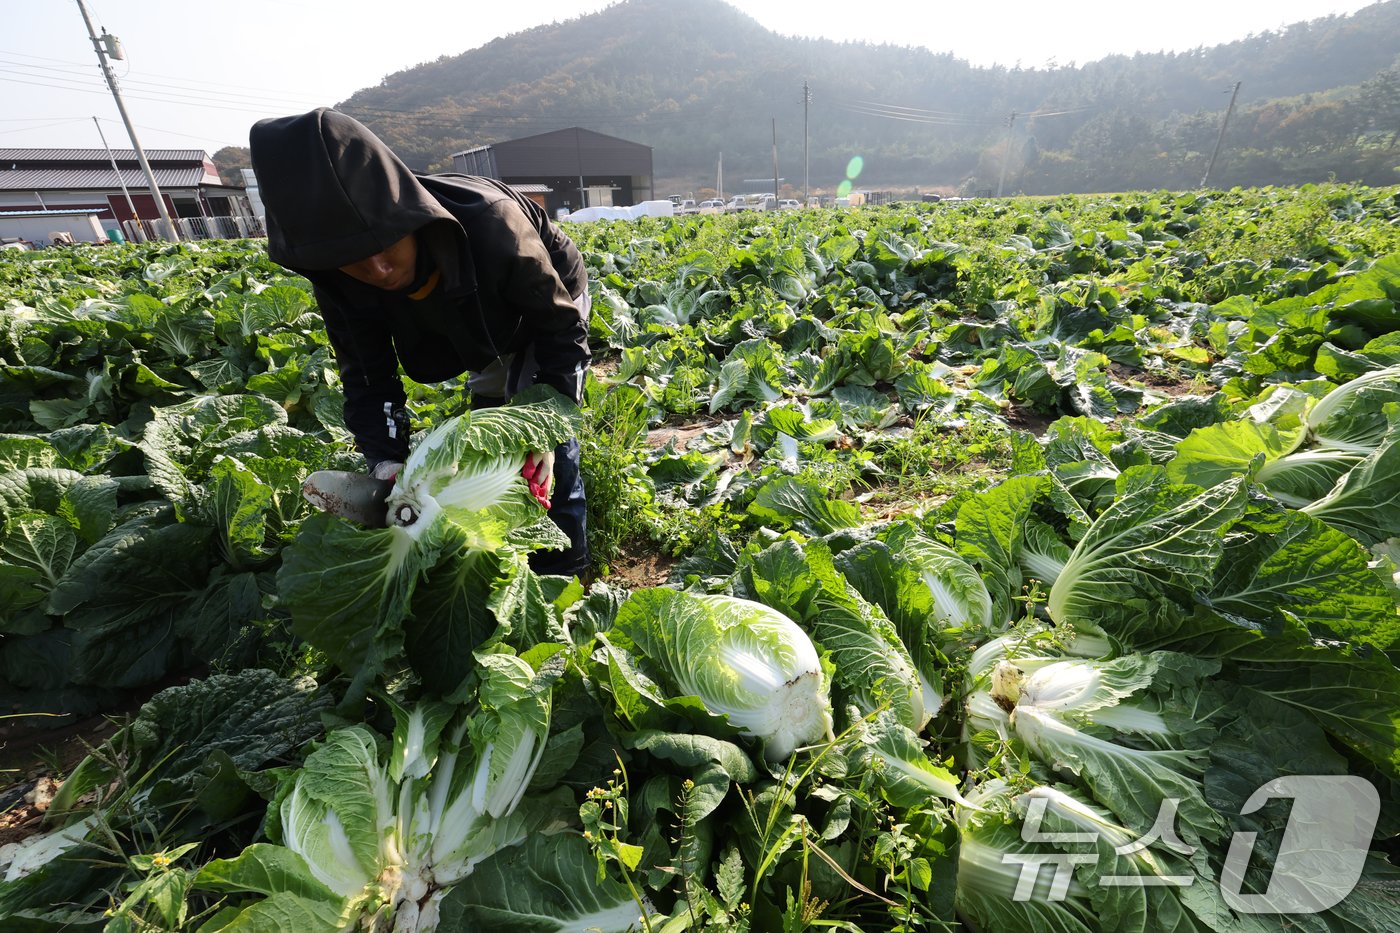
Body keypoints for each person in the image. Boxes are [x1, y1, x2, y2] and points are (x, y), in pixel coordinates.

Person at [249, 108, 591, 578]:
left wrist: (545, 429)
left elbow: (560, 331)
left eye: (385, 247)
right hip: (469, 316)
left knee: (544, 453)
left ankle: (565, 570)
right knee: (492, 417)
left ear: (407, 221)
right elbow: (368, 378)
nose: (379, 271)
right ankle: (494, 553)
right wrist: (386, 461)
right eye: (355, 262)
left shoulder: (494, 225)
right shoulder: (341, 283)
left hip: (548, 299)